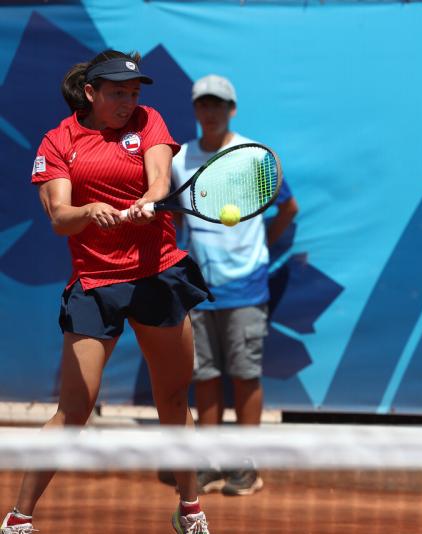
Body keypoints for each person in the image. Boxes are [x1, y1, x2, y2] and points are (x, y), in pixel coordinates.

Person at [0, 50, 212, 534]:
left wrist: (147, 203)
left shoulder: (149, 121)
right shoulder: (58, 141)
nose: (127, 101)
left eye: (133, 92)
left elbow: (159, 181)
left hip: (157, 273)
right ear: (90, 93)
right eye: (117, 92)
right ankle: (18, 517)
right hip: (96, 283)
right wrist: (89, 210)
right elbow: (59, 216)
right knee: (75, 409)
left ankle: (190, 508)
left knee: (173, 398)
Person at [171, 74, 298, 496]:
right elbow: (177, 219)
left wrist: (258, 249)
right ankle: (209, 463)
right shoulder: (179, 160)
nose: (211, 112)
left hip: (246, 288)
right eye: (204, 104)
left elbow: (288, 207)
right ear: (195, 109)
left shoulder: (252, 157)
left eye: (219, 104)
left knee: (244, 376)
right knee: (205, 376)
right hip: (199, 289)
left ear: (232, 109)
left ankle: (246, 465)